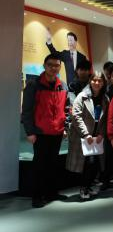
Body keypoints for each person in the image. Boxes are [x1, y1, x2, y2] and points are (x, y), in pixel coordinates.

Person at [21, 53, 68, 208]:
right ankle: (37, 196)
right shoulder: (34, 85)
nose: (54, 68)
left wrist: (65, 127)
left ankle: (51, 193)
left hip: (57, 132)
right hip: (40, 133)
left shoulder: (63, 86)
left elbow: (65, 109)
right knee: (39, 166)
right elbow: (26, 111)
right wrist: (30, 132)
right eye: (50, 65)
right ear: (44, 66)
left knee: (53, 165)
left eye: (57, 65)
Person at [66, 71, 109, 200]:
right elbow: (76, 116)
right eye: (94, 80)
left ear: (103, 83)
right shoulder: (82, 96)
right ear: (90, 81)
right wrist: (85, 134)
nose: (97, 83)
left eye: (100, 80)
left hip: (97, 137)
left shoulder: (105, 99)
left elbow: (106, 119)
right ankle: (83, 187)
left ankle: (89, 186)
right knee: (85, 164)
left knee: (94, 163)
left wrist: (101, 133)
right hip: (83, 136)